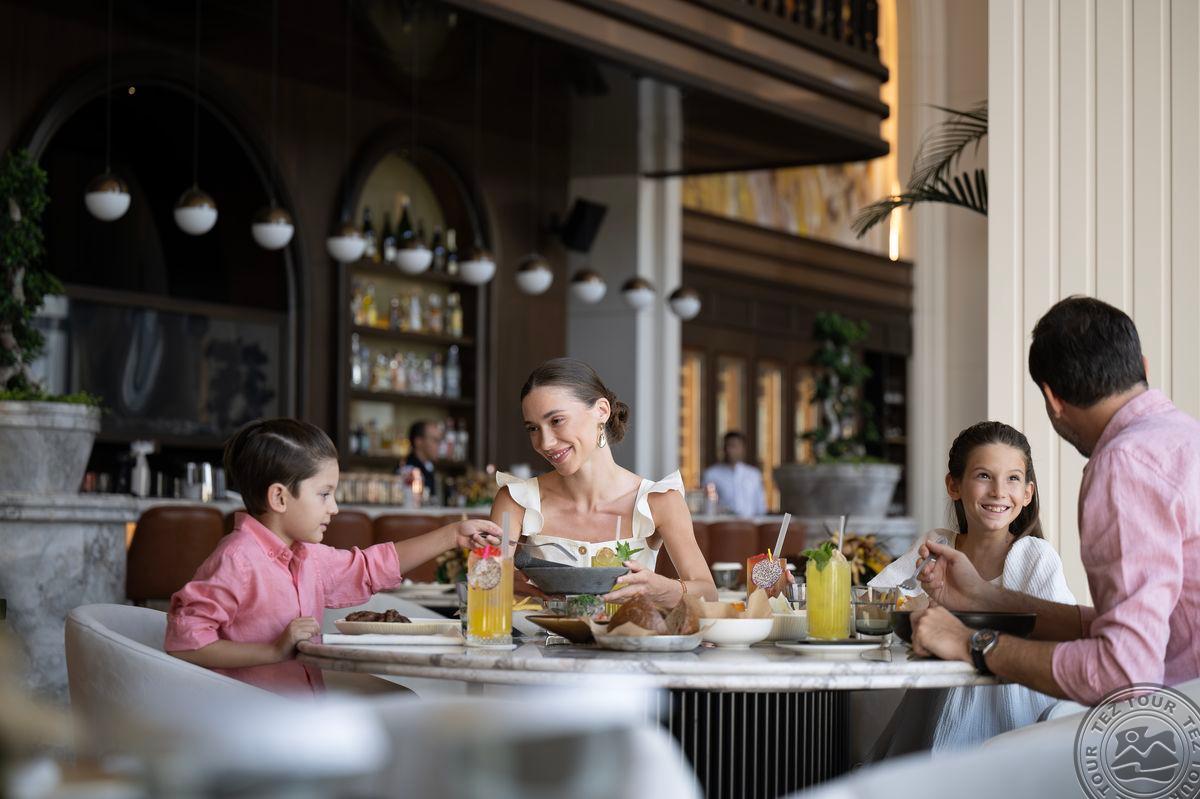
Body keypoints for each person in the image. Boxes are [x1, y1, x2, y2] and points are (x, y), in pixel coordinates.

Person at [912, 296, 1200, 705]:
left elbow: (1123, 673)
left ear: (1052, 398)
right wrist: (983, 597)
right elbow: (1143, 632)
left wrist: (972, 643)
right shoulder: (1185, 438)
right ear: (1143, 367)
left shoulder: (1124, 463)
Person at [165, 418, 500, 694]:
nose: (335, 508)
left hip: (304, 702)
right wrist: (272, 651)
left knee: (402, 698)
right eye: (324, 494)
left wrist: (451, 535)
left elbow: (368, 567)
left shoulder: (307, 556)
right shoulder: (237, 559)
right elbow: (186, 643)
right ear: (279, 498)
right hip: (259, 717)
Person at [869, 421, 1074, 757]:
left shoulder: (1035, 556)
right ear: (954, 485)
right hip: (932, 711)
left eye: (1012, 478)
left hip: (1014, 722)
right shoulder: (937, 545)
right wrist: (919, 602)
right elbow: (872, 604)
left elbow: (1062, 642)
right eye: (983, 476)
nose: (998, 491)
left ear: (1027, 493)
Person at [492, 358, 717, 603]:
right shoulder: (516, 501)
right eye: (533, 428)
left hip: (629, 629)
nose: (545, 443)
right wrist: (503, 583)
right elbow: (487, 590)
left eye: (556, 421)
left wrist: (661, 589)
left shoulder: (658, 501)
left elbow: (708, 595)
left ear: (602, 410)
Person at [701, 431, 767, 517]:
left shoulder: (754, 475)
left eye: (734, 446)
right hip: (723, 523)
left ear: (743, 448)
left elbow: (760, 507)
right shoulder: (712, 474)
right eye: (728, 446)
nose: (730, 450)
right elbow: (707, 506)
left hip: (750, 523)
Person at [405, 420, 442, 498]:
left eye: (439, 441)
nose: (440, 446)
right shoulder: (408, 471)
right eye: (435, 440)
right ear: (418, 441)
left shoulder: (429, 467)